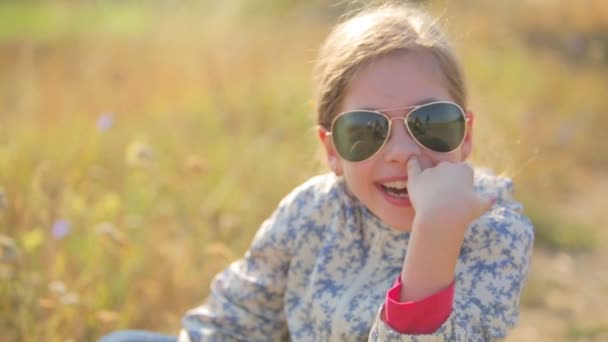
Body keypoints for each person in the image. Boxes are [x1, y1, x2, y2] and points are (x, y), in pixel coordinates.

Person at [101, 2, 534, 341]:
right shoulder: (312, 211)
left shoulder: (494, 234)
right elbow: (237, 319)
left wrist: (437, 232)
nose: (402, 152)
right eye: (366, 130)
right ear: (332, 151)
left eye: (432, 122)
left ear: (466, 134)